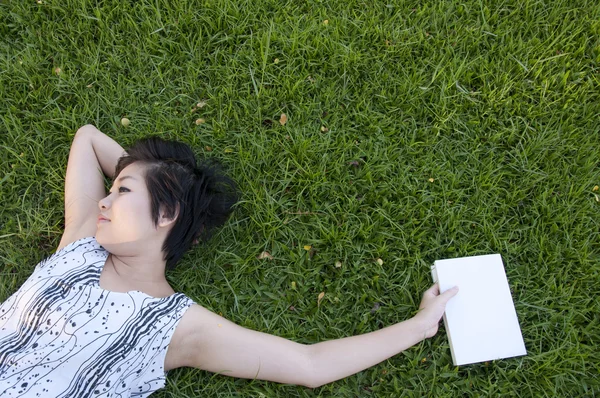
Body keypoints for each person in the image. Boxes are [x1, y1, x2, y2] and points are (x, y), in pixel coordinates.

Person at [0, 124, 459, 397]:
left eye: (120, 192)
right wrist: (149, 175)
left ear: (166, 214)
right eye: (112, 187)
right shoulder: (82, 241)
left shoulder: (173, 327)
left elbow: (310, 365)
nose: (103, 201)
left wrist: (420, 325)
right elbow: (86, 138)